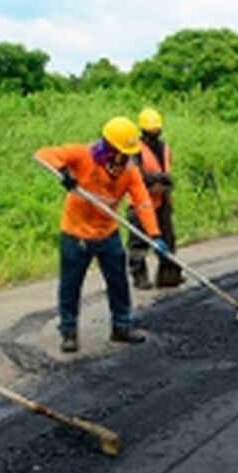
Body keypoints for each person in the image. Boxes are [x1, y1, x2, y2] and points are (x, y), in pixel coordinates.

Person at [35, 117, 169, 353]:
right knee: (70, 285)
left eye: (128, 154)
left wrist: (155, 235)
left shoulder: (129, 172)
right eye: (121, 153)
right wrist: (65, 172)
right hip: (76, 234)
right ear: (109, 148)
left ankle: (122, 327)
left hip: (108, 233)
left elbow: (143, 202)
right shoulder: (82, 155)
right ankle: (68, 332)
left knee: (118, 282)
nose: (125, 159)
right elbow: (44, 154)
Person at [129, 108, 183, 289]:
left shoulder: (164, 147)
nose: (155, 133)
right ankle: (139, 276)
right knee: (138, 243)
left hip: (163, 201)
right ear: (143, 130)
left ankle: (168, 274)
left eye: (157, 130)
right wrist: (156, 178)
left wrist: (166, 182)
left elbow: (168, 168)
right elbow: (135, 176)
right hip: (141, 202)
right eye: (151, 130)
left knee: (168, 239)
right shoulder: (135, 149)